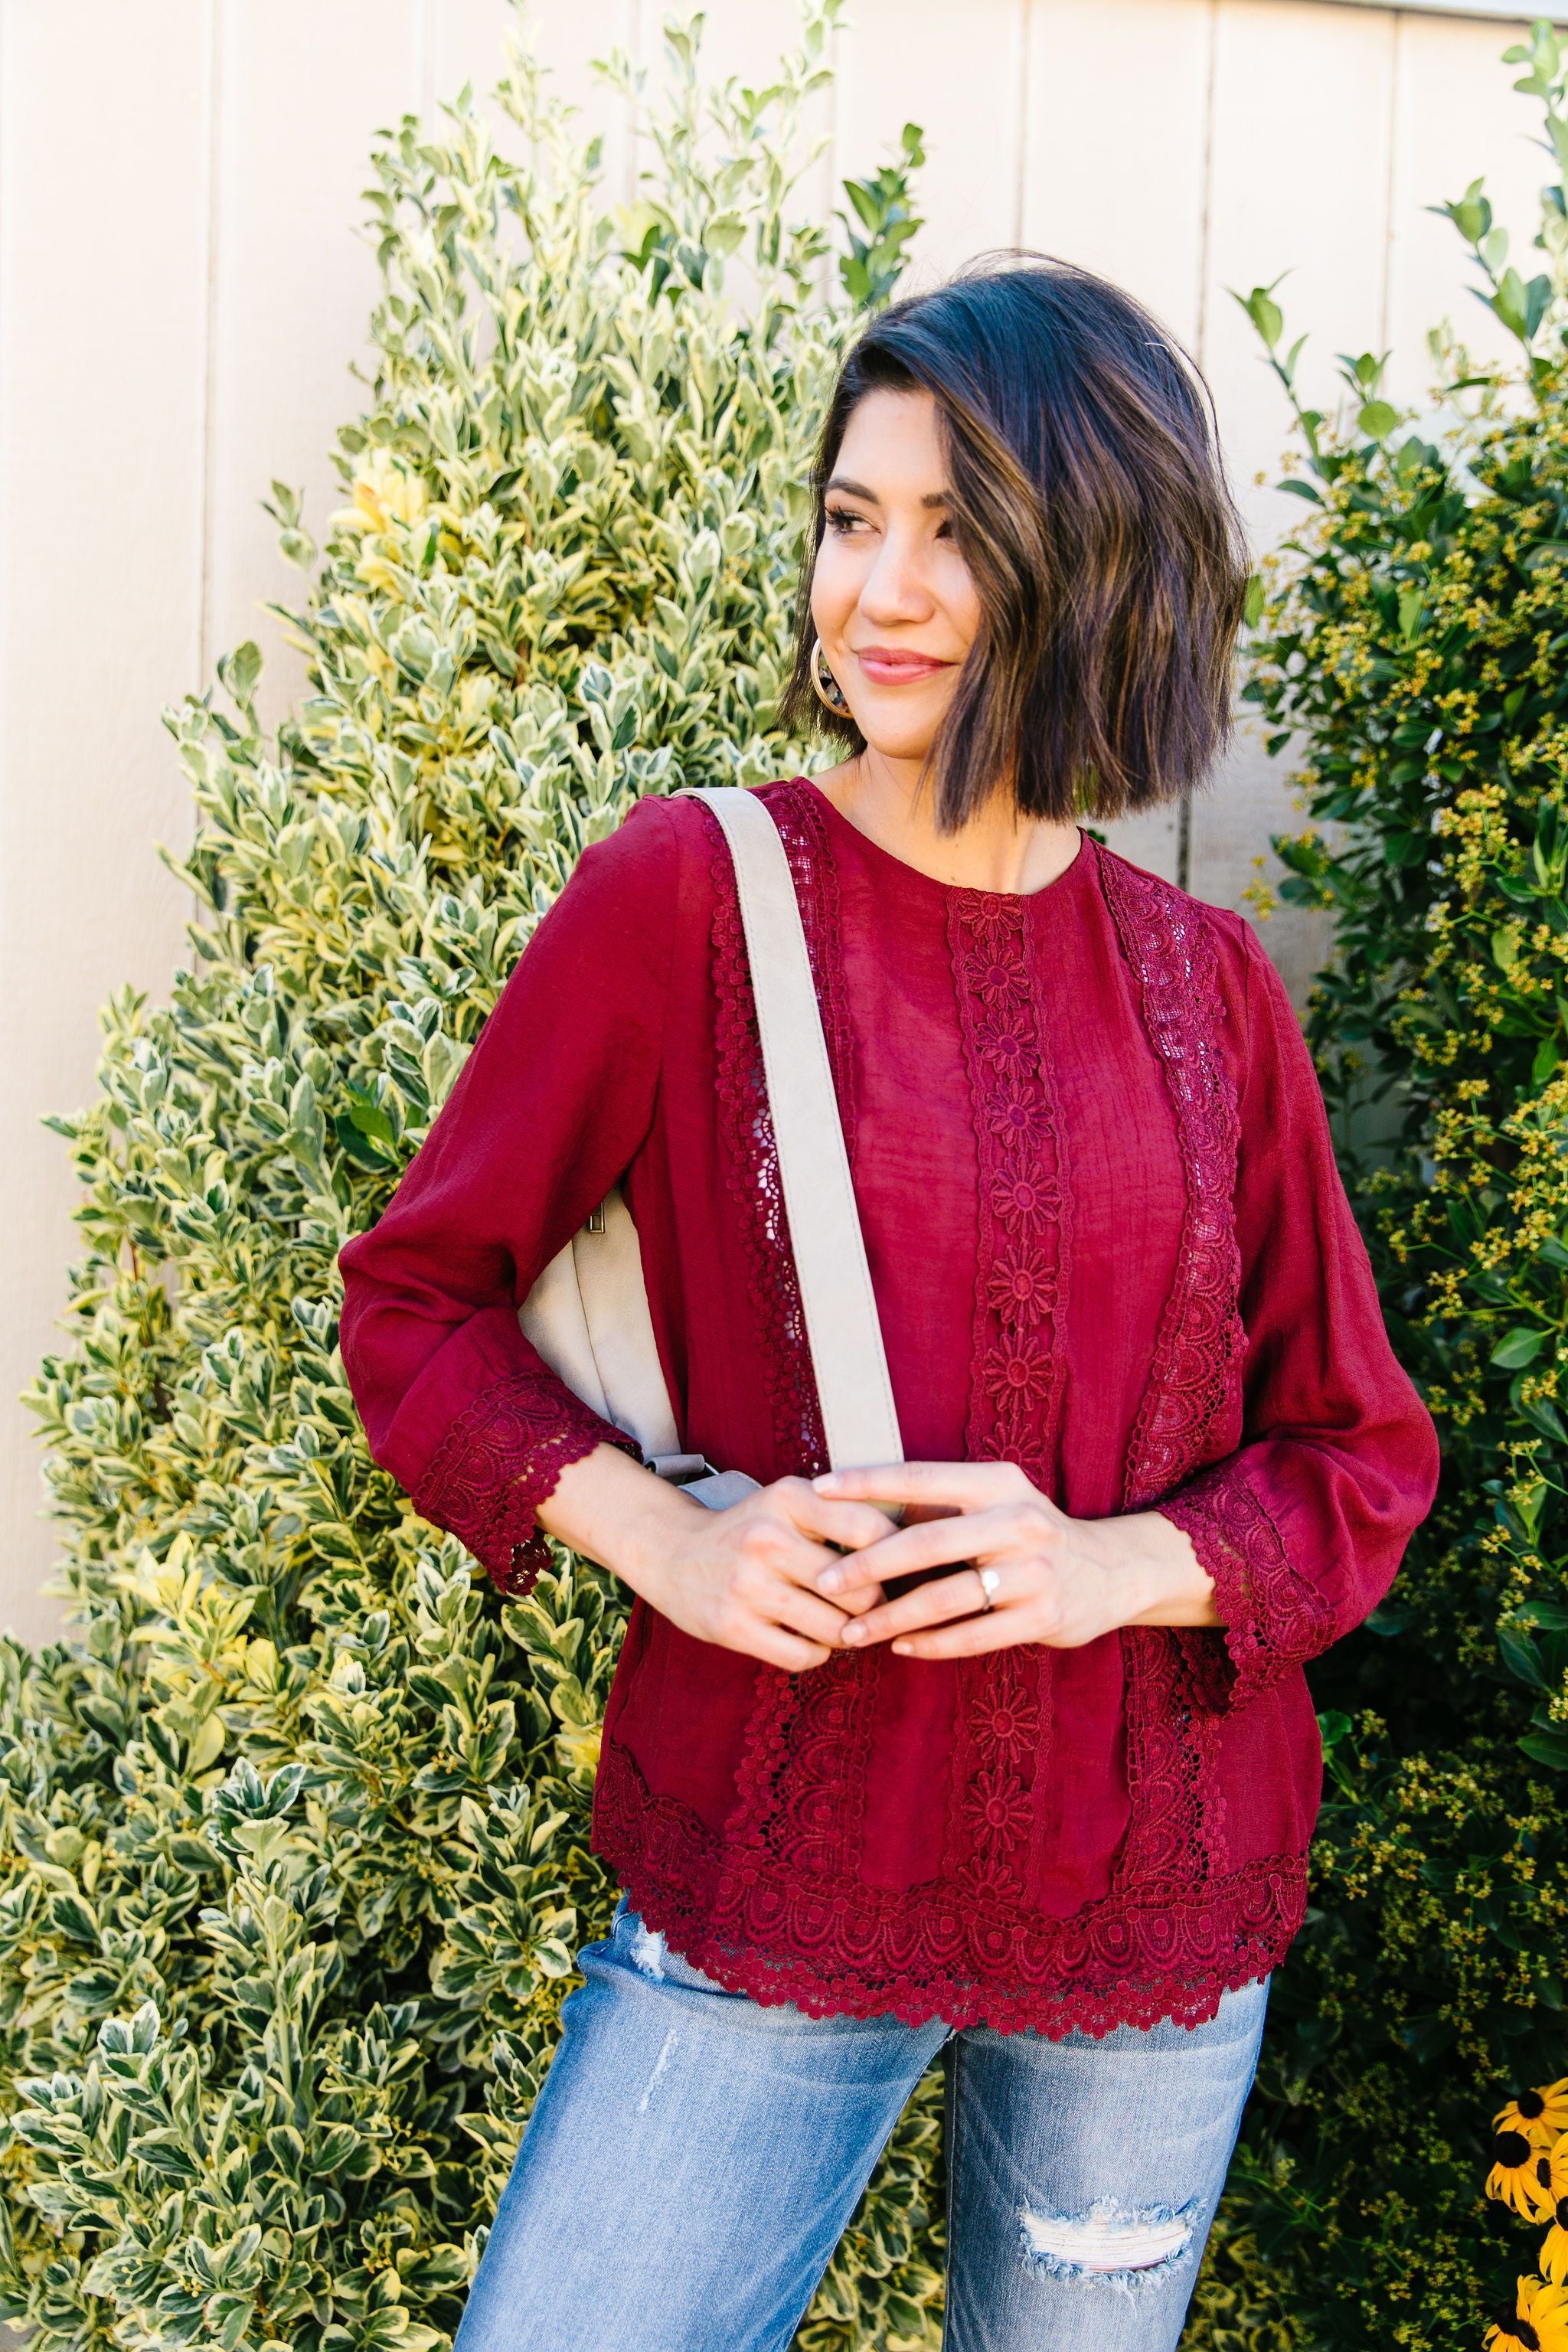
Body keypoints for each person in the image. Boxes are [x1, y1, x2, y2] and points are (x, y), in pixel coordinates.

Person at [337, 255, 1439, 2352]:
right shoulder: (686, 896)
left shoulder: (1208, 992)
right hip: (784, 1880)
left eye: (955, 530)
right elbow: (416, 1302)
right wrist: (670, 1535)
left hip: (1156, 1910)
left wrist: (1106, 1564)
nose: (880, 589)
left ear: (1093, 563)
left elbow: (1359, 1458)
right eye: (853, 521)